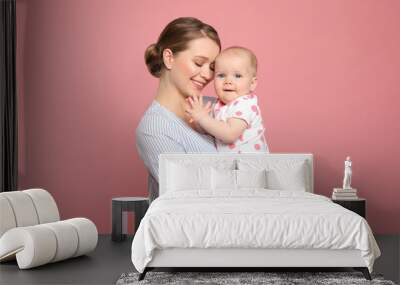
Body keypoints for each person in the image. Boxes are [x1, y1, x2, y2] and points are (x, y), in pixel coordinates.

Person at [136, 17, 221, 202]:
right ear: (169, 58)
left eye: (213, 67)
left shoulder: (217, 106)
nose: (208, 75)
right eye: (199, 63)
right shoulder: (154, 128)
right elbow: (187, 197)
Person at [185, 47, 269, 153]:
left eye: (237, 76)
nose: (228, 81)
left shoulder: (245, 104)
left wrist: (202, 118)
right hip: (233, 165)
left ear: (252, 84)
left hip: (251, 164)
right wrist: (197, 122)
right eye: (221, 75)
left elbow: (229, 134)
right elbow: (212, 129)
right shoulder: (219, 104)